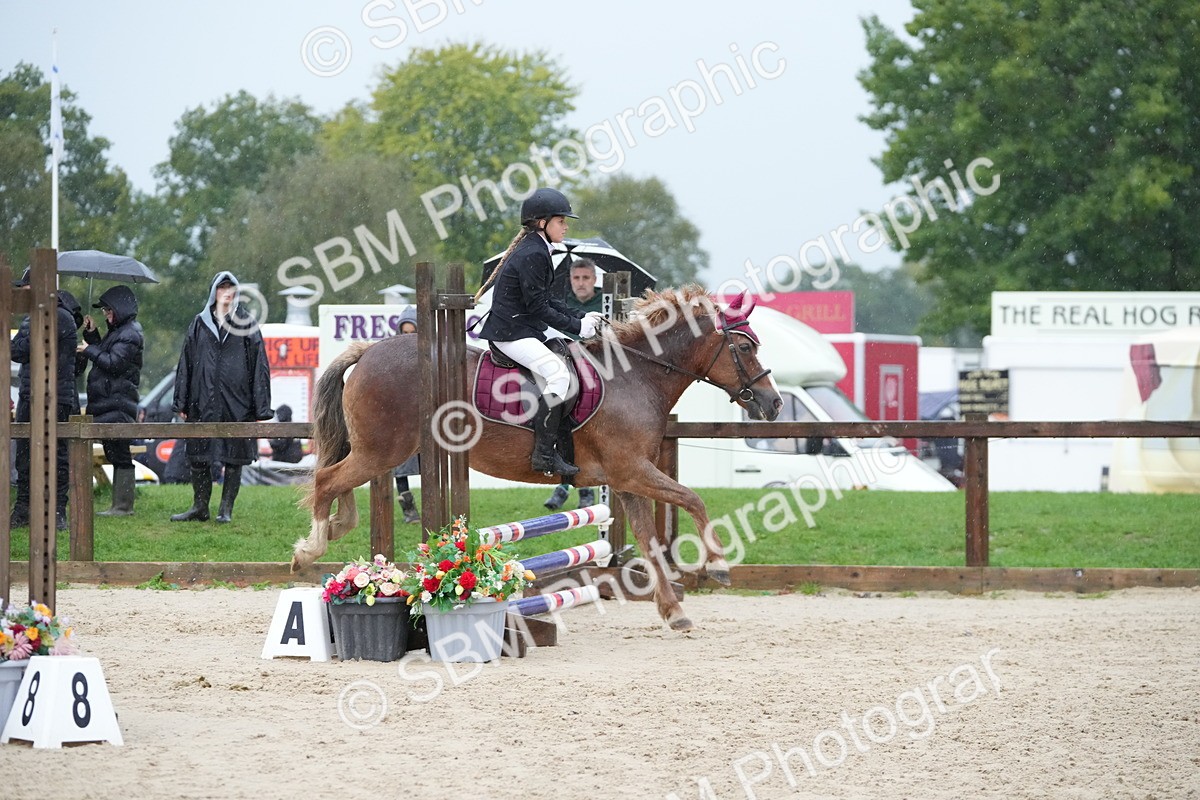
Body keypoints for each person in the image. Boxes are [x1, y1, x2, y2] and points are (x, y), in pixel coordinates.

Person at [477, 187, 602, 478]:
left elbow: (549, 300)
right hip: (511, 333)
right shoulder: (534, 253)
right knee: (558, 375)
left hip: (523, 328)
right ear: (542, 222)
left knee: (565, 358)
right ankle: (544, 455)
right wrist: (577, 327)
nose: (566, 226)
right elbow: (538, 308)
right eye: (561, 221)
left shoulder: (537, 249)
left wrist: (581, 316)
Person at [170, 272, 272, 524]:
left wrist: (261, 408)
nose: (227, 292)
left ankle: (225, 509)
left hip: (236, 402)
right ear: (214, 291)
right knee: (198, 454)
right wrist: (181, 401)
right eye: (222, 287)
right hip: (201, 401)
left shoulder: (246, 323)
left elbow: (259, 366)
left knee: (234, 457)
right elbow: (186, 364)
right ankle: (200, 507)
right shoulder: (199, 323)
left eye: (231, 287)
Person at [11, 285, 85, 529]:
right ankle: (24, 510)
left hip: (55, 395)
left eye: (25, 288)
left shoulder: (59, 317)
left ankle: (56, 511)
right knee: (24, 455)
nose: (22, 293)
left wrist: (24, 342)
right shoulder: (34, 316)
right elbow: (17, 350)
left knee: (57, 455)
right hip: (30, 392)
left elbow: (25, 349)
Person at [76, 285, 144, 517]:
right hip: (110, 403)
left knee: (119, 453)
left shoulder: (130, 333)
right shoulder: (120, 331)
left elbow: (113, 363)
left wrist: (88, 350)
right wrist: (92, 335)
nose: (105, 314)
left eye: (107, 310)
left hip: (118, 403)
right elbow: (105, 353)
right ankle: (120, 505)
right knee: (114, 451)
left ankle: (123, 506)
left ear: (120, 309)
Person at [542, 257, 603, 510]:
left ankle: (569, 487)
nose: (580, 283)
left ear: (594, 280)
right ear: (570, 279)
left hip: (597, 370)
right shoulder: (561, 301)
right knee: (563, 422)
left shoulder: (604, 302)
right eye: (576, 278)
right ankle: (571, 486)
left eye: (585, 278)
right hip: (565, 365)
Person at [392, 305, 421, 523]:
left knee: (432, 463)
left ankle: (432, 508)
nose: (409, 337)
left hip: (426, 417)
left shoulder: (429, 353)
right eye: (406, 332)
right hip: (402, 418)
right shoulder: (392, 355)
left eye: (413, 332)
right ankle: (408, 509)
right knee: (400, 465)